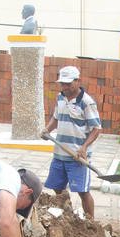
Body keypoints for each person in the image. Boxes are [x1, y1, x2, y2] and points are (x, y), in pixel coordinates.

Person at [40, 66, 102, 219]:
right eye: (62, 84)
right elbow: (56, 118)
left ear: (77, 81)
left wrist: (84, 147)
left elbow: (96, 128)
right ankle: (68, 215)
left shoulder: (86, 102)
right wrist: (47, 129)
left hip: (77, 156)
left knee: (82, 191)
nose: (65, 87)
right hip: (60, 154)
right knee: (57, 187)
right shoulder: (60, 98)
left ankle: (90, 224)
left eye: (68, 84)